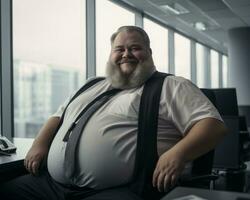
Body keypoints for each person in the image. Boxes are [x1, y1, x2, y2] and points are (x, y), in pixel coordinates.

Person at [0, 26, 226, 200]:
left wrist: (178, 153)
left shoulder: (172, 85)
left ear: (149, 52)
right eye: (119, 49)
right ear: (111, 54)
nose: (126, 54)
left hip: (120, 190)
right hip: (52, 185)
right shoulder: (92, 84)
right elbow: (58, 116)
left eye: (134, 48)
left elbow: (212, 125)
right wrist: (39, 144)